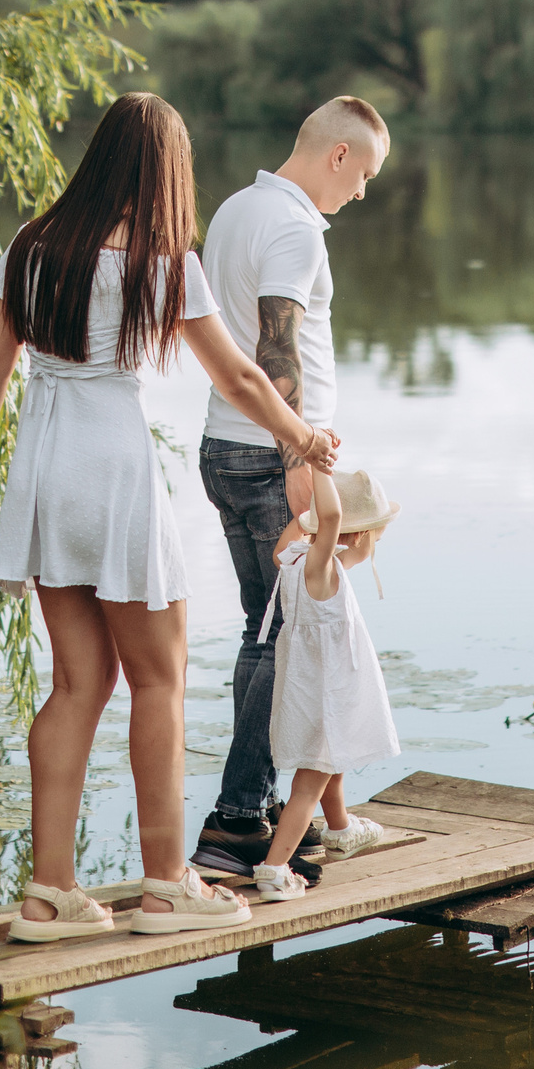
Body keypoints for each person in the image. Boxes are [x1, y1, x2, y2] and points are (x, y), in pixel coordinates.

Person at [0, 93, 337, 940]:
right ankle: (166, 886)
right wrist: (304, 436)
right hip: (115, 469)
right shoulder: (164, 263)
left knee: (76, 684)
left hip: (44, 468)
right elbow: (239, 379)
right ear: (167, 171)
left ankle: (49, 894)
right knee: (160, 677)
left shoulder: (29, 245)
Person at [191, 97, 390, 880]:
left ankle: (315, 818)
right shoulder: (297, 227)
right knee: (282, 640)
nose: (363, 192)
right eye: (365, 173)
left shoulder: (238, 208)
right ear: (337, 155)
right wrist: (300, 454)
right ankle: (240, 817)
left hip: (223, 447)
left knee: (272, 632)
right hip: (274, 458)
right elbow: (279, 346)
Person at [247, 468, 401, 902]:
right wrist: (318, 464)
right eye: (376, 535)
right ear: (356, 536)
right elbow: (331, 519)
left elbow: (317, 524)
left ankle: (340, 829)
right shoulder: (321, 569)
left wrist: (312, 514)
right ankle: (274, 870)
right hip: (326, 696)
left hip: (310, 689)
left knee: (330, 761)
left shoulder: (292, 558)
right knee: (308, 785)